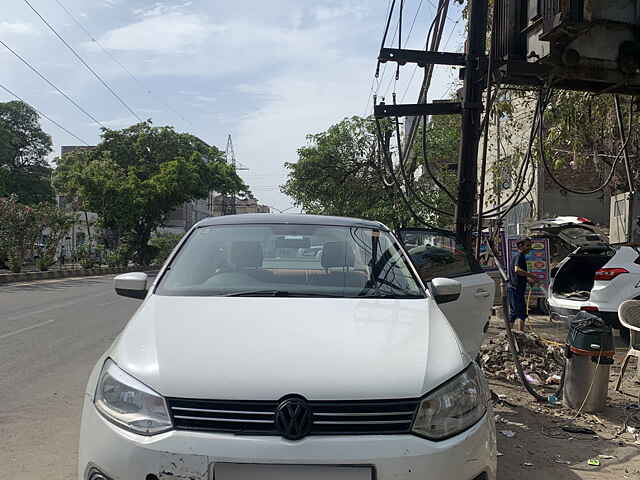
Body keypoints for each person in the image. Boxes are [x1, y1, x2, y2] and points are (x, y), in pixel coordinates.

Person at [509, 238, 538, 332]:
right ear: (521, 246)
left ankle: (510, 335)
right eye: (528, 245)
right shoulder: (519, 256)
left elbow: (518, 274)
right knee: (521, 313)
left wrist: (528, 280)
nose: (530, 248)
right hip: (515, 289)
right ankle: (520, 334)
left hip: (515, 289)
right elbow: (517, 270)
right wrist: (531, 275)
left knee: (514, 313)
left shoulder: (517, 256)